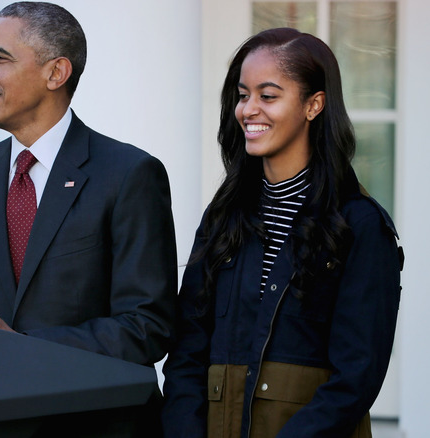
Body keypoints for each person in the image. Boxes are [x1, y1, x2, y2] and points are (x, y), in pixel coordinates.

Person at [0, 1, 176, 435]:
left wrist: (20, 346)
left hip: (96, 425)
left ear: (56, 73)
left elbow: (145, 327)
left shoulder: (129, 173)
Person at [161, 28, 403, 438]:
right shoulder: (223, 218)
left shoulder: (360, 225)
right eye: (243, 95)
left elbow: (356, 377)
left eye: (268, 96)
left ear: (314, 105)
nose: (248, 110)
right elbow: (187, 353)